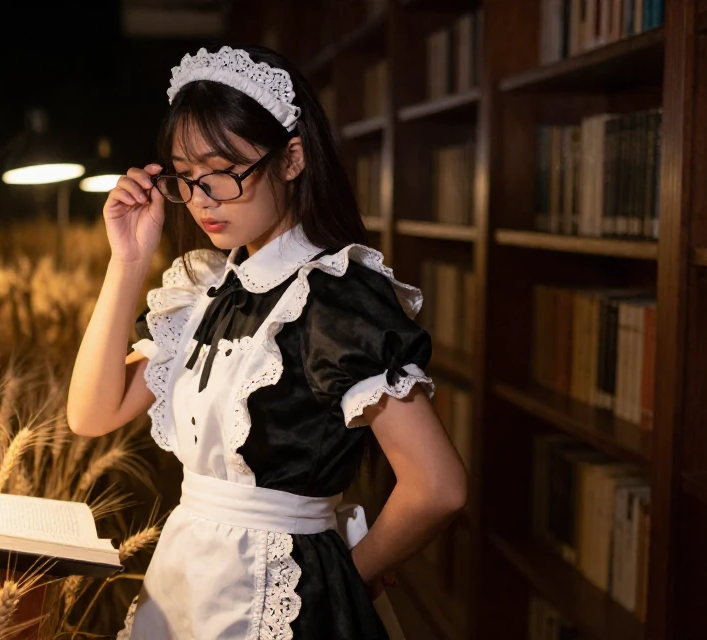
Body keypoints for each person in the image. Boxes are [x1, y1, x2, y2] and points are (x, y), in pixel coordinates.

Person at [67, 44, 468, 640]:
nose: (203, 198)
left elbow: (438, 488)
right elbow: (91, 414)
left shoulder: (338, 295)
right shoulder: (208, 288)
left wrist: (344, 579)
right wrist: (126, 263)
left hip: (282, 599)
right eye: (186, 176)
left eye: (224, 171)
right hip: (184, 583)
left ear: (291, 159)